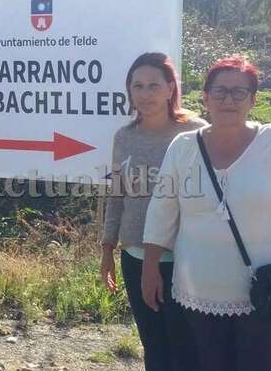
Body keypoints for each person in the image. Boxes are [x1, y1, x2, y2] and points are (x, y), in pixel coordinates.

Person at [142, 55, 271, 371]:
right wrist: (150, 267)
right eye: (221, 91)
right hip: (198, 290)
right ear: (205, 97)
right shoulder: (182, 147)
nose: (229, 99)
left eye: (239, 92)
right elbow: (162, 209)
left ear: (252, 99)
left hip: (267, 290)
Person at [100, 52, 204, 371]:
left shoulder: (196, 133)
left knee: (187, 348)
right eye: (138, 86)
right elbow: (116, 196)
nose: (145, 94)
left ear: (171, 88)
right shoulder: (124, 137)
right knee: (154, 346)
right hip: (135, 257)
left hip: (186, 258)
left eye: (153, 85)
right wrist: (107, 249)